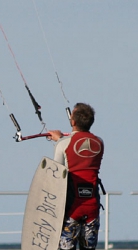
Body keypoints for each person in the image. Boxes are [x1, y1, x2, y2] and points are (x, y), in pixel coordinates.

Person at [48, 103, 105, 250]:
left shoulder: (63, 144)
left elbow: (57, 174)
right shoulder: (99, 143)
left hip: (71, 208)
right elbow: (83, 144)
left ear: (72, 122)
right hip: (92, 205)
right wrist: (61, 139)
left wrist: (59, 141)